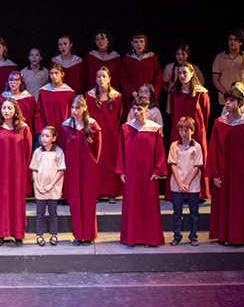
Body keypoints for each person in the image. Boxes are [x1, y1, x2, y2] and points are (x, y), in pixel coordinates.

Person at [205, 86, 244, 246]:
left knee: (238, 204)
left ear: (240, 103)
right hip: (223, 170)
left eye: (231, 100)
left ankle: (239, 237)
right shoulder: (219, 123)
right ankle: (225, 236)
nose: (227, 103)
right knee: (224, 202)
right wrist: (214, 173)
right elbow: (213, 148)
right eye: (226, 100)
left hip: (241, 171)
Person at [116, 99, 167, 247]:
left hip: (148, 173)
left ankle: (150, 239)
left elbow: (159, 152)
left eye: (139, 109)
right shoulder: (126, 129)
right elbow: (121, 151)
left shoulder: (154, 129)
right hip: (131, 173)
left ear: (146, 111)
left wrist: (158, 170)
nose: (136, 112)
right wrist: (121, 171)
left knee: (148, 205)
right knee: (132, 205)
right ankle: (131, 238)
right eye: (134, 109)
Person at [58, 96, 101, 246]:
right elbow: (62, 148)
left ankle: (88, 235)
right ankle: (78, 235)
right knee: (75, 202)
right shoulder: (66, 126)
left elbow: (97, 151)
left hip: (88, 169)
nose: (74, 111)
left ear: (84, 109)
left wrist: (93, 165)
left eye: (77, 108)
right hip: (72, 169)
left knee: (88, 202)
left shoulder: (93, 125)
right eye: (72, 108)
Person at [0, 99, 32, 247]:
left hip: (17, 170)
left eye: (10, 108)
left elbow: (27, 151)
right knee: (1, 201)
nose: (7, 111)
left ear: (15, 110)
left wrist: (21, 169)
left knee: (17, 201)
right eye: (4, 108)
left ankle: (18, 234)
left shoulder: (23, 128)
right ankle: (1, 233)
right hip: (1, 170)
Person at [167, 63, 210, 200]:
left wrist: (199, 130)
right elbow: (173, 114)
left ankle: (200, 192)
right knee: (178, 158)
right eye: (180, 73)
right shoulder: (174, 93)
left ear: (192, 74)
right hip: (178, 132)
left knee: (196, 159)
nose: (182, 76)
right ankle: (178, 191)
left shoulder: (201, 93)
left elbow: (205, 114)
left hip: (197, 132)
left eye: (185, 72)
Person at [85, 67, 123, 201]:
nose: (101, 79)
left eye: (104, 76)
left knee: (110, 162)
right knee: (96, 162)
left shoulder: (117, 97)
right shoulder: (89, 96)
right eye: (98, 76)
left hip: (111, 135)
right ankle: (95, 192)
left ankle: (111, 192)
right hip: (95, 134)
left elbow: (118, 116)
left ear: (109, 79)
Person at [167, 117, 203, 247]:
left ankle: (193, 236)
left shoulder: (197, 147)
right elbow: (173, 165)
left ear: (192, 131)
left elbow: (197, 166)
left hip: (192, 185)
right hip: (177, 184)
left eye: (187, 130)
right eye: (181, 130)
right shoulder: (174, 146)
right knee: (177, 212)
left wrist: (187, 183)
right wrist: (180, 183)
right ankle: (177, 236)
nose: (184, 133)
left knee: (194, 212)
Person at [29, 126, 65, 246]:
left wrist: (51, 185)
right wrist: (37, 185)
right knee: (40, 213)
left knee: (53, 212)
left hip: (53, 188)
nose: (44, 138)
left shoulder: (58, 152)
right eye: (42, 136)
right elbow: (34, 169)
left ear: (54, 138)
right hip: (40, 188)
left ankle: (54, 234)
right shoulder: (37, 152)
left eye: (47, 136)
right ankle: (39, 235)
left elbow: (61, 170)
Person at [120, 32, 162, 118]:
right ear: (132, 43)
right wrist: (135, 94)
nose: (139, 44)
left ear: (145, 43)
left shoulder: (152, 57)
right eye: (136, 42)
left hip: (149, 98)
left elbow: (158, 76)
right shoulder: (127, 59)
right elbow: (123, 78)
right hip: (133, 97)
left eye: (141, 41)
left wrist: (150, 93)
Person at [212, 29, 244, 105]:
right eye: (230, 39)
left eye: (235, 40)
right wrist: (226, 93)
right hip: (224, 100)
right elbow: (215, 79)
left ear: (240, 42)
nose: (232, 42)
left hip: (242, 100)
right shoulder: (220, 57)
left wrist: (239, 93)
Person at [162, 43, 205, 112]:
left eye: (183, 54)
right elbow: (164, 83)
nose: (180, 56)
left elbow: (200, 84)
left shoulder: (194, 68)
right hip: (175, 101)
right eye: (178, 54)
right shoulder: (169, 67)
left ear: (188, 55)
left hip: (190, 101)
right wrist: (173, 94)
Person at [0, 70, 40, 136]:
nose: (13, 82)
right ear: (8, 82)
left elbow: (32, 119)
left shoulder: (29, 99)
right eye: (11, 80)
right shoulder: (2, 98)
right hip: (6, 132)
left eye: (16, 80)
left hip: (23, 133)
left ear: (21, 82)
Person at [38, 63, 75, 136]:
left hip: (64, 130)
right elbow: (38, 113)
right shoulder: (44, 91)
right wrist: (40, 130)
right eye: (51, 73)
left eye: (56, 73)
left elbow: (72, 113)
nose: (54, 76)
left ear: (62, 74)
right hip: (47, 131)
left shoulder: (68, 92)